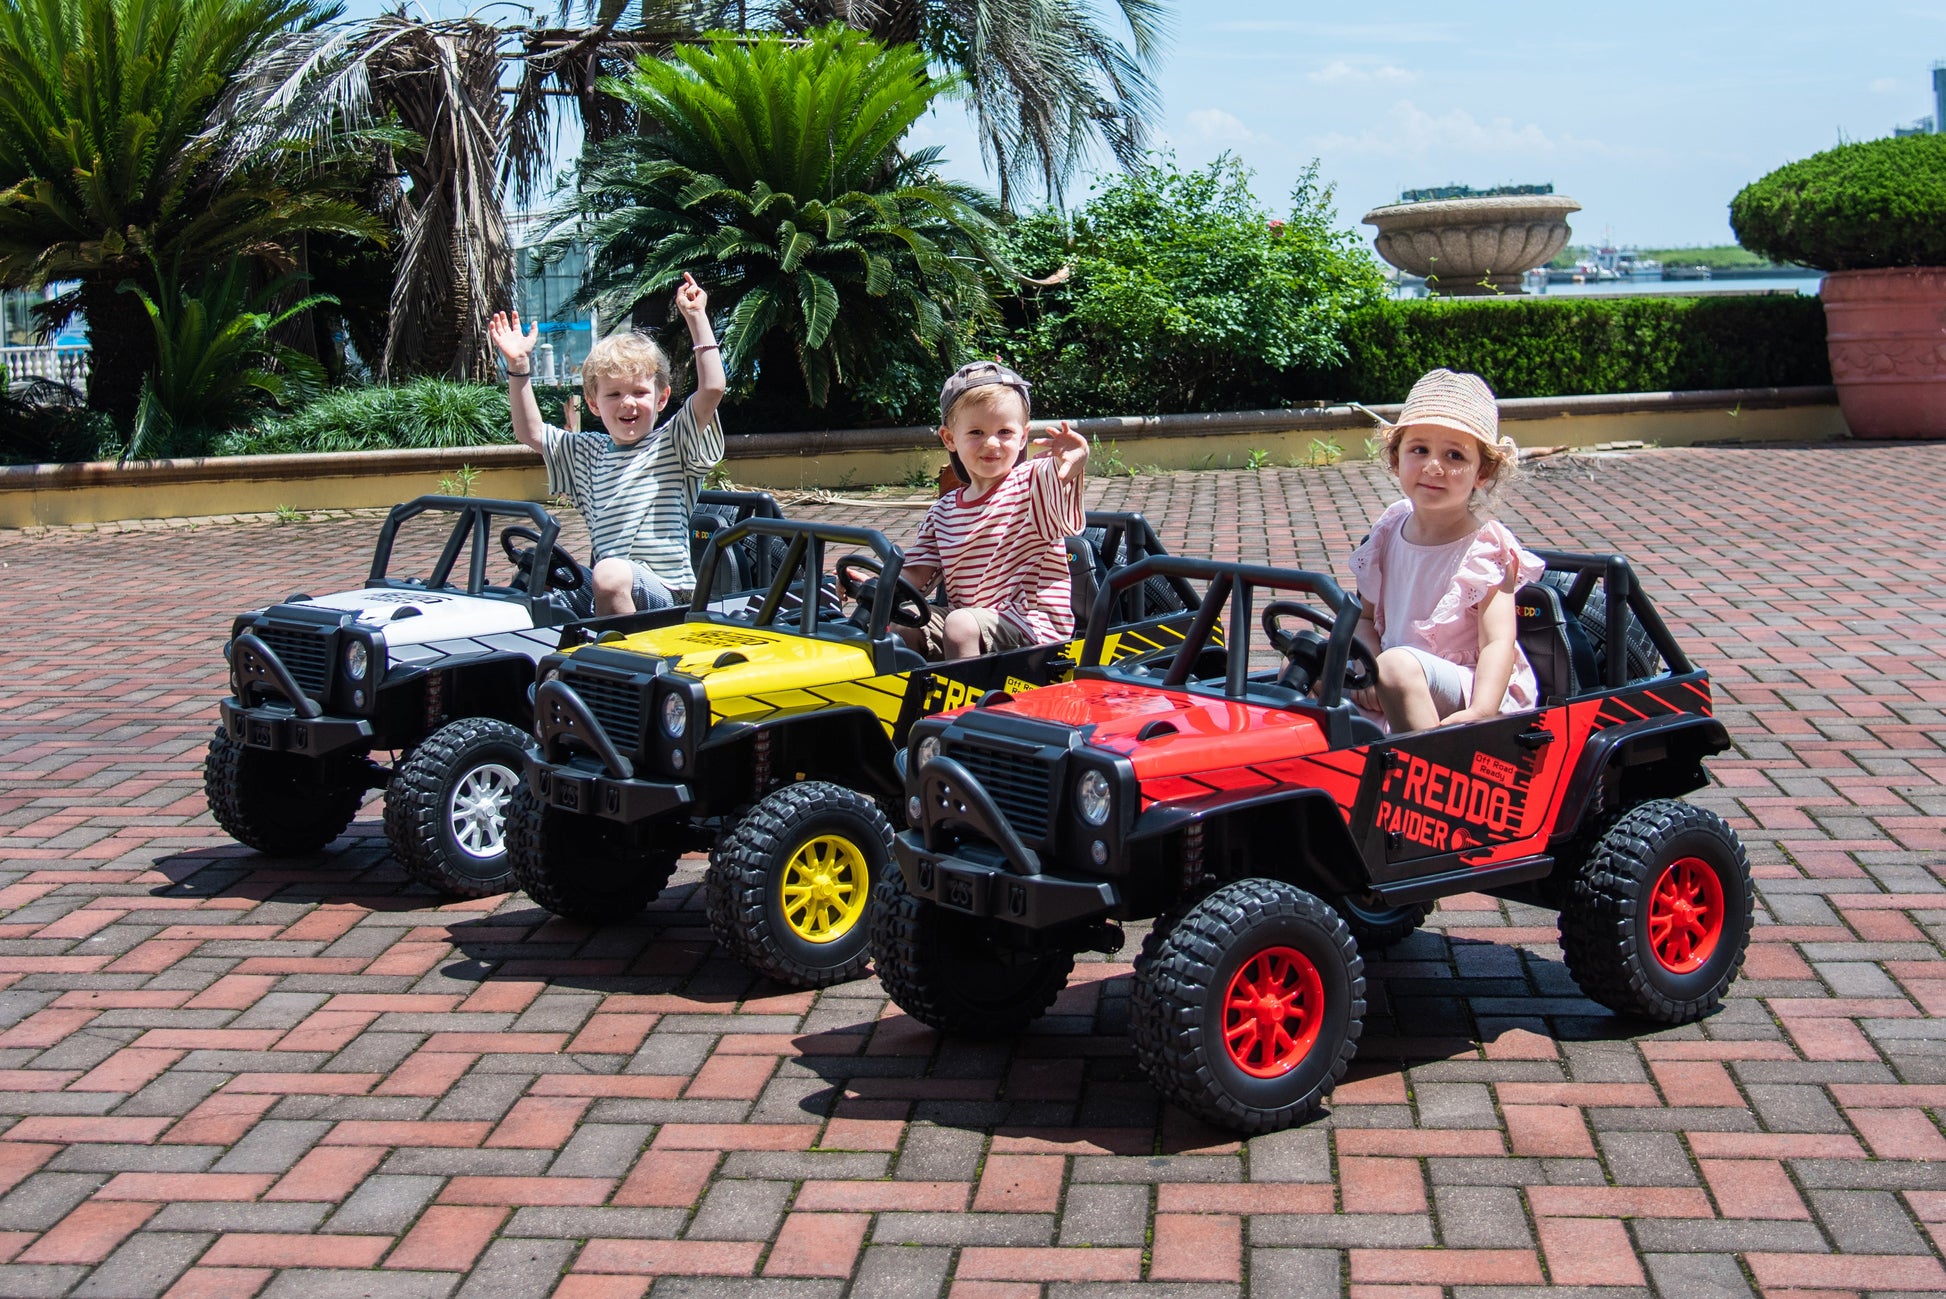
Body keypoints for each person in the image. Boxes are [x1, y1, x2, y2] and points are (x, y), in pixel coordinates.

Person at [488, 273, 727, 616]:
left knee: (609, 573)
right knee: (535, 576)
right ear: (593, 403)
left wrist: (696, 317)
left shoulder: (673, 442)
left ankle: (618, 650)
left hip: (670, 594)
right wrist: (519, 367)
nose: (627, 403)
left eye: (639, 392)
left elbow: (712, 389)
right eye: (614, 394)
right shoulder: (588, 453)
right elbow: (531, 432)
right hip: (609, 582)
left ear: (661, 398)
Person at [1346, 368, 1542, 732]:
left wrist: (1482, 711)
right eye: (1419, 450)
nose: (1433, 467)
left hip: (1467, 684)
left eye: (1454, 456)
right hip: (1393, 672)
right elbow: (1364, 619)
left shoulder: (1486, 549)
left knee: (1396, 668)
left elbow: (1498, 642)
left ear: (1482, 472)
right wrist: (1367, 666)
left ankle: (1437, 760)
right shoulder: (1388, 530)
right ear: (1396, 459)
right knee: (1304, 663)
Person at [894, 360, 1089, 661]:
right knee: (902, 623)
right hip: (968, 621)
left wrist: (1074, 460)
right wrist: (876, 585)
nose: (992, 443)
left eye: (1004, 431)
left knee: (960, 624)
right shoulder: (943, 511)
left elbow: (1057, 473)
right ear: (949, 438)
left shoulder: (1031, 484)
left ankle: (968, 692)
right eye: (976, 432)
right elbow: (916, 573)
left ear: (1023, 436)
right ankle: (902, 690)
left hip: (1032, 627)